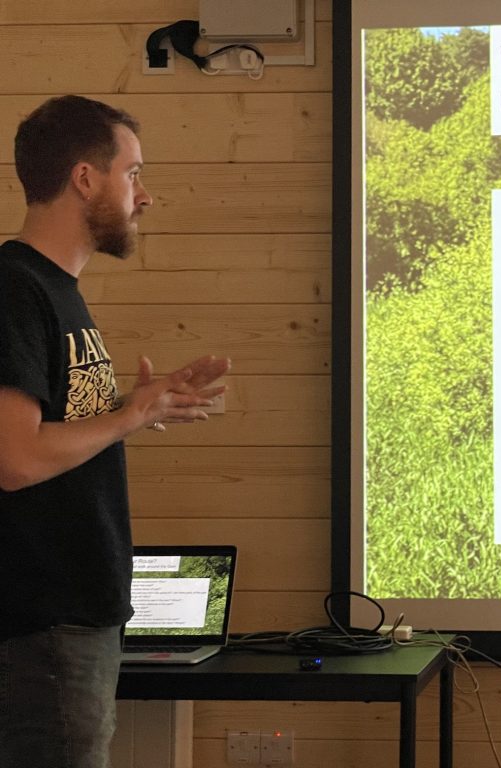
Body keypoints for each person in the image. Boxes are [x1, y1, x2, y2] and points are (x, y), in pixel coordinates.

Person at [0, 95, 231, 767]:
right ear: (84, 179)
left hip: (75, 622)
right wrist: (131, 415)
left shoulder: (55, 290)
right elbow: (13, 458)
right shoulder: (16, 288)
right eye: (133, 173)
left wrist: (140, 407)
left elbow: (57, 432)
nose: (145, 195)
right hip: (44, 624)